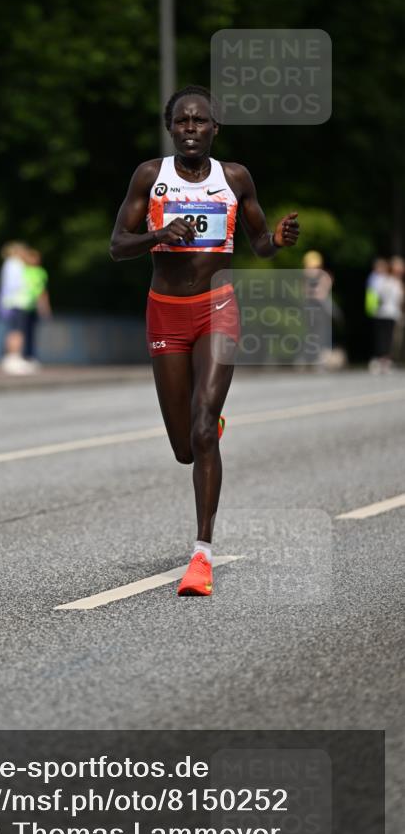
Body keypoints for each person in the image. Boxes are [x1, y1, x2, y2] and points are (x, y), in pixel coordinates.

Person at [110, 85, 299, 596]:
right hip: (165, 314)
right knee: (183, 447)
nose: (191, 129)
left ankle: (201, 556)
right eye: (183, 121)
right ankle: (205, 423)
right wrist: (157, 236)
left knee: (201, 432)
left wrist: (276, 242)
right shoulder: (151, 177)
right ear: (171, 127)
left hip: (218, 309)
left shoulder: (234, 178)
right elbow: (117, 246)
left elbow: (257, 243)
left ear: (216, 128)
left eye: (201, 121)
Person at [0, 241, 36, 375]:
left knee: (13, 330)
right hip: (18, 302)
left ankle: (12, 358)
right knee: (17, 332)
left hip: (12, 302)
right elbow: (15, 285)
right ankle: (13, 358)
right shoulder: (15, 264)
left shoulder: (10, 264)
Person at [369, 256, 404, 373]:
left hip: (385, 312)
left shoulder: (385, 280)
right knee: (386, 337)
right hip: (388, 312)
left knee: (384, 337)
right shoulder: (392, 282)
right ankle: (382, 360)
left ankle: (383, 360)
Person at [21, 247, 51, 367]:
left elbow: (43, 291)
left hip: (34, 306)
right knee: (20, 332)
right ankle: (21, 356)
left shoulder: (41, 272)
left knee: (31, 332)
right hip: (23, 304)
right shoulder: (22, 270)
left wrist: (45, 307)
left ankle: (30, 356)